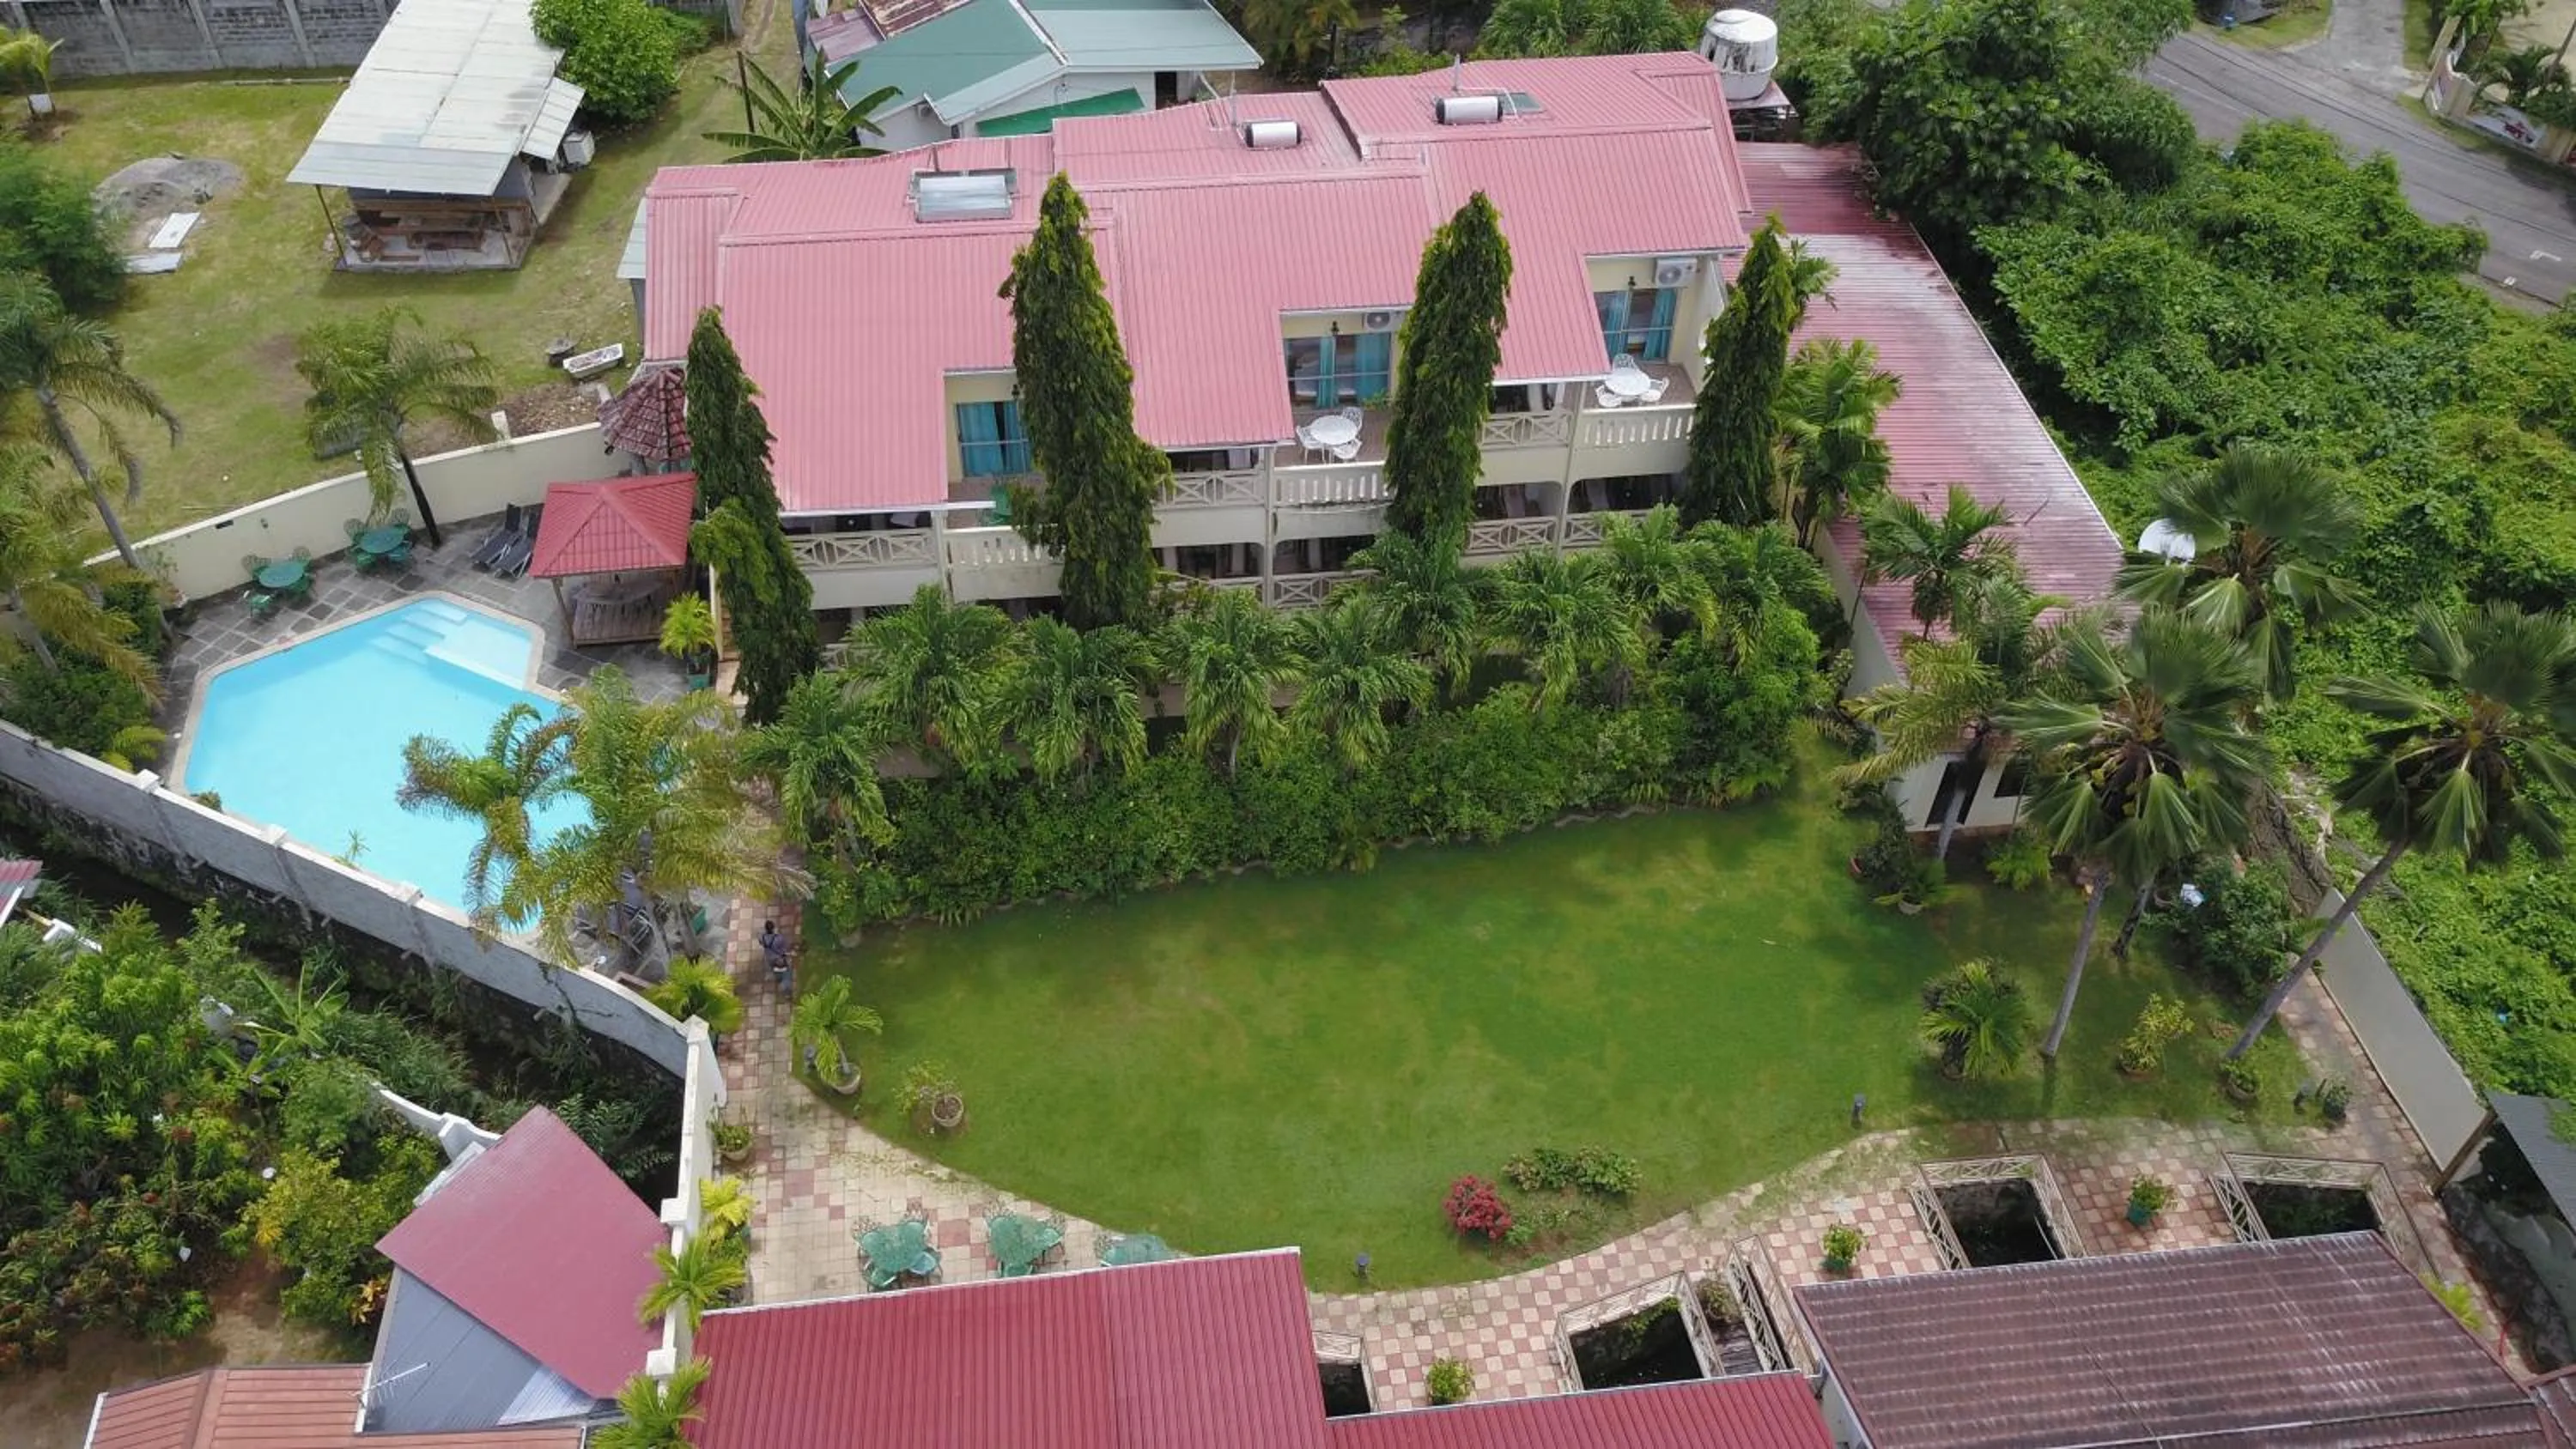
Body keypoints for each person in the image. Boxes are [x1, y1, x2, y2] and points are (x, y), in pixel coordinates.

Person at [759, 919, 793, 996]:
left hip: (769, 958)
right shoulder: (779, 938)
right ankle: (786, 991)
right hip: (779, 959)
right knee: (786, 973)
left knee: (774, 969)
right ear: (773, 928)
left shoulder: (762, 937)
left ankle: (778, 978)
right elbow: (785, 949)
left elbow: (761, 943)